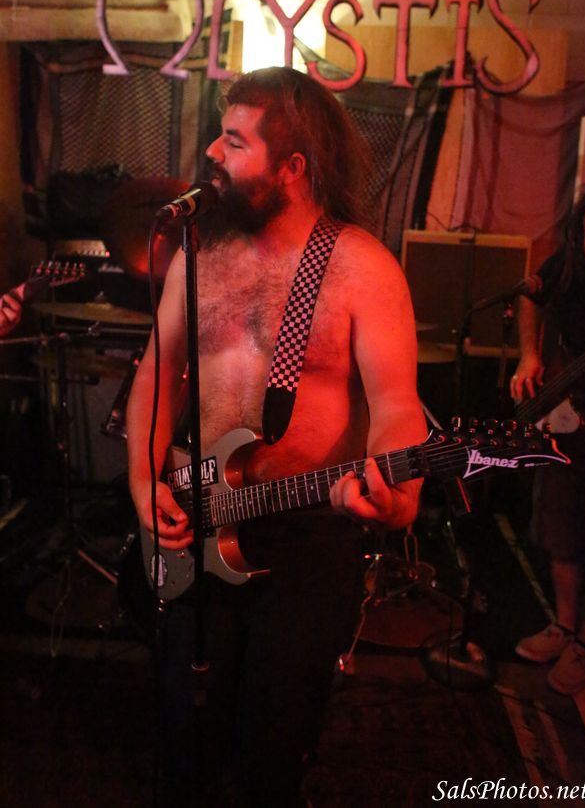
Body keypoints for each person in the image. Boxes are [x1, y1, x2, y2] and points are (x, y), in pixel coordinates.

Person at [126, 66, 426, 806]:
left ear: (291, 167)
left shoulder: (362, 267)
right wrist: (142, 483)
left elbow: (396, 404)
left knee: (276, 736)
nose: (211, 153)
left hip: (305, 533)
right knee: (186, 729)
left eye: (233, 142)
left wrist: (399, 484)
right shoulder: (200, 252)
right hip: (196, 515)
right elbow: (159, 374)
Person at [511, 183, 585, 695]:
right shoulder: (569, 267)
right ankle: (564, 626)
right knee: (561, 529)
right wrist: (530, 356)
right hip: (568, 422)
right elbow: (530, 295)